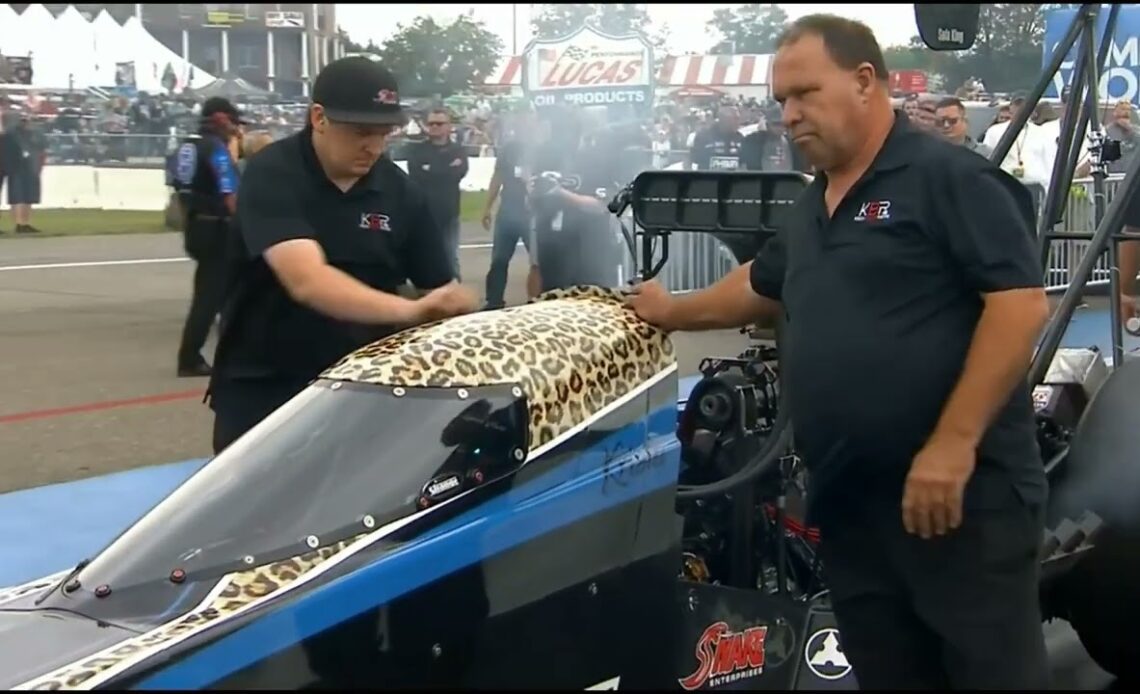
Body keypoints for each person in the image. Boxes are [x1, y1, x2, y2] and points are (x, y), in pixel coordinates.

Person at [627, 14, 1051, 690]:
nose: (790, 115)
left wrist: (952, 444)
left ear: (863, 81)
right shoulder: (815, 203)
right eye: (781, 102)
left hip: (959, 502)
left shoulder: (950, 179)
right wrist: (671, 311)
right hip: (852, 504)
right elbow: (760, 284)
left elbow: (1020, 304)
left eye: (805, 94)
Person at [207, 56, 477, 454]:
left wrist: (461, 309)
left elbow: (440, 292)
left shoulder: (402, 194)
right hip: (264, 389)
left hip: (359, 392)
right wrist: (410, 311)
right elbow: (307, 280)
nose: (374, 146)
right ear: (318, 118)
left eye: (384, 132)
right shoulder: (273, 172)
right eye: (361, 131)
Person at [171, 96, 245, 378]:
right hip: (217, 228)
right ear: (222, 120)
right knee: (211, 298)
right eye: (234, 123)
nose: (236, 130)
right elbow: (229, 194)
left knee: (218, 294)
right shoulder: (216, 149)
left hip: (194, 224)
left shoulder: (186, 147)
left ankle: (227, 352)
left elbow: (178, 184)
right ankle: (189, 357)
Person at [526, 107, 629, 293]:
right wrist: (534, 190)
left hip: (590, 244)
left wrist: (560, 193)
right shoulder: (548, 154)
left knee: (590, 296)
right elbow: (533, 198)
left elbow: (601, 205)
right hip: (551, 243)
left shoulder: (601, 158)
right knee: (552, 296)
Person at [481, 111, 541, 309]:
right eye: (521, 122)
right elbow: (497, 177)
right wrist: (487, 207)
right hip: (508, 210)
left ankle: (537, 300)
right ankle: (494, 300)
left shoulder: (542, 149)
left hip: (533, 212)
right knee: (499, 259)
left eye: (529, 122)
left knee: (537, 261)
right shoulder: (509, 148)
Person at [406, 107, 469, 279]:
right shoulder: (417, 150)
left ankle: (455, 299)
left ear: (449, 126)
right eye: (431, 123)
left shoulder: (458, 150)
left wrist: (431, 168)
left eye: (439, 123)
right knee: (424, 259)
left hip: (449, 214)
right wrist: (446, 167)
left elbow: (459, 173)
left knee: (450, 259)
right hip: (423, 215)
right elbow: (416, 174)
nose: (434, 127)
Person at [688, 105, 744, 170]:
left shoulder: (740, 138)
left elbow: (743, 163)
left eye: (738, 119)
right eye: (735, 119)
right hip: (709, 178)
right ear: (723, 119)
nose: (738, 122)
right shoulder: (703, 136)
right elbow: (690, 160)